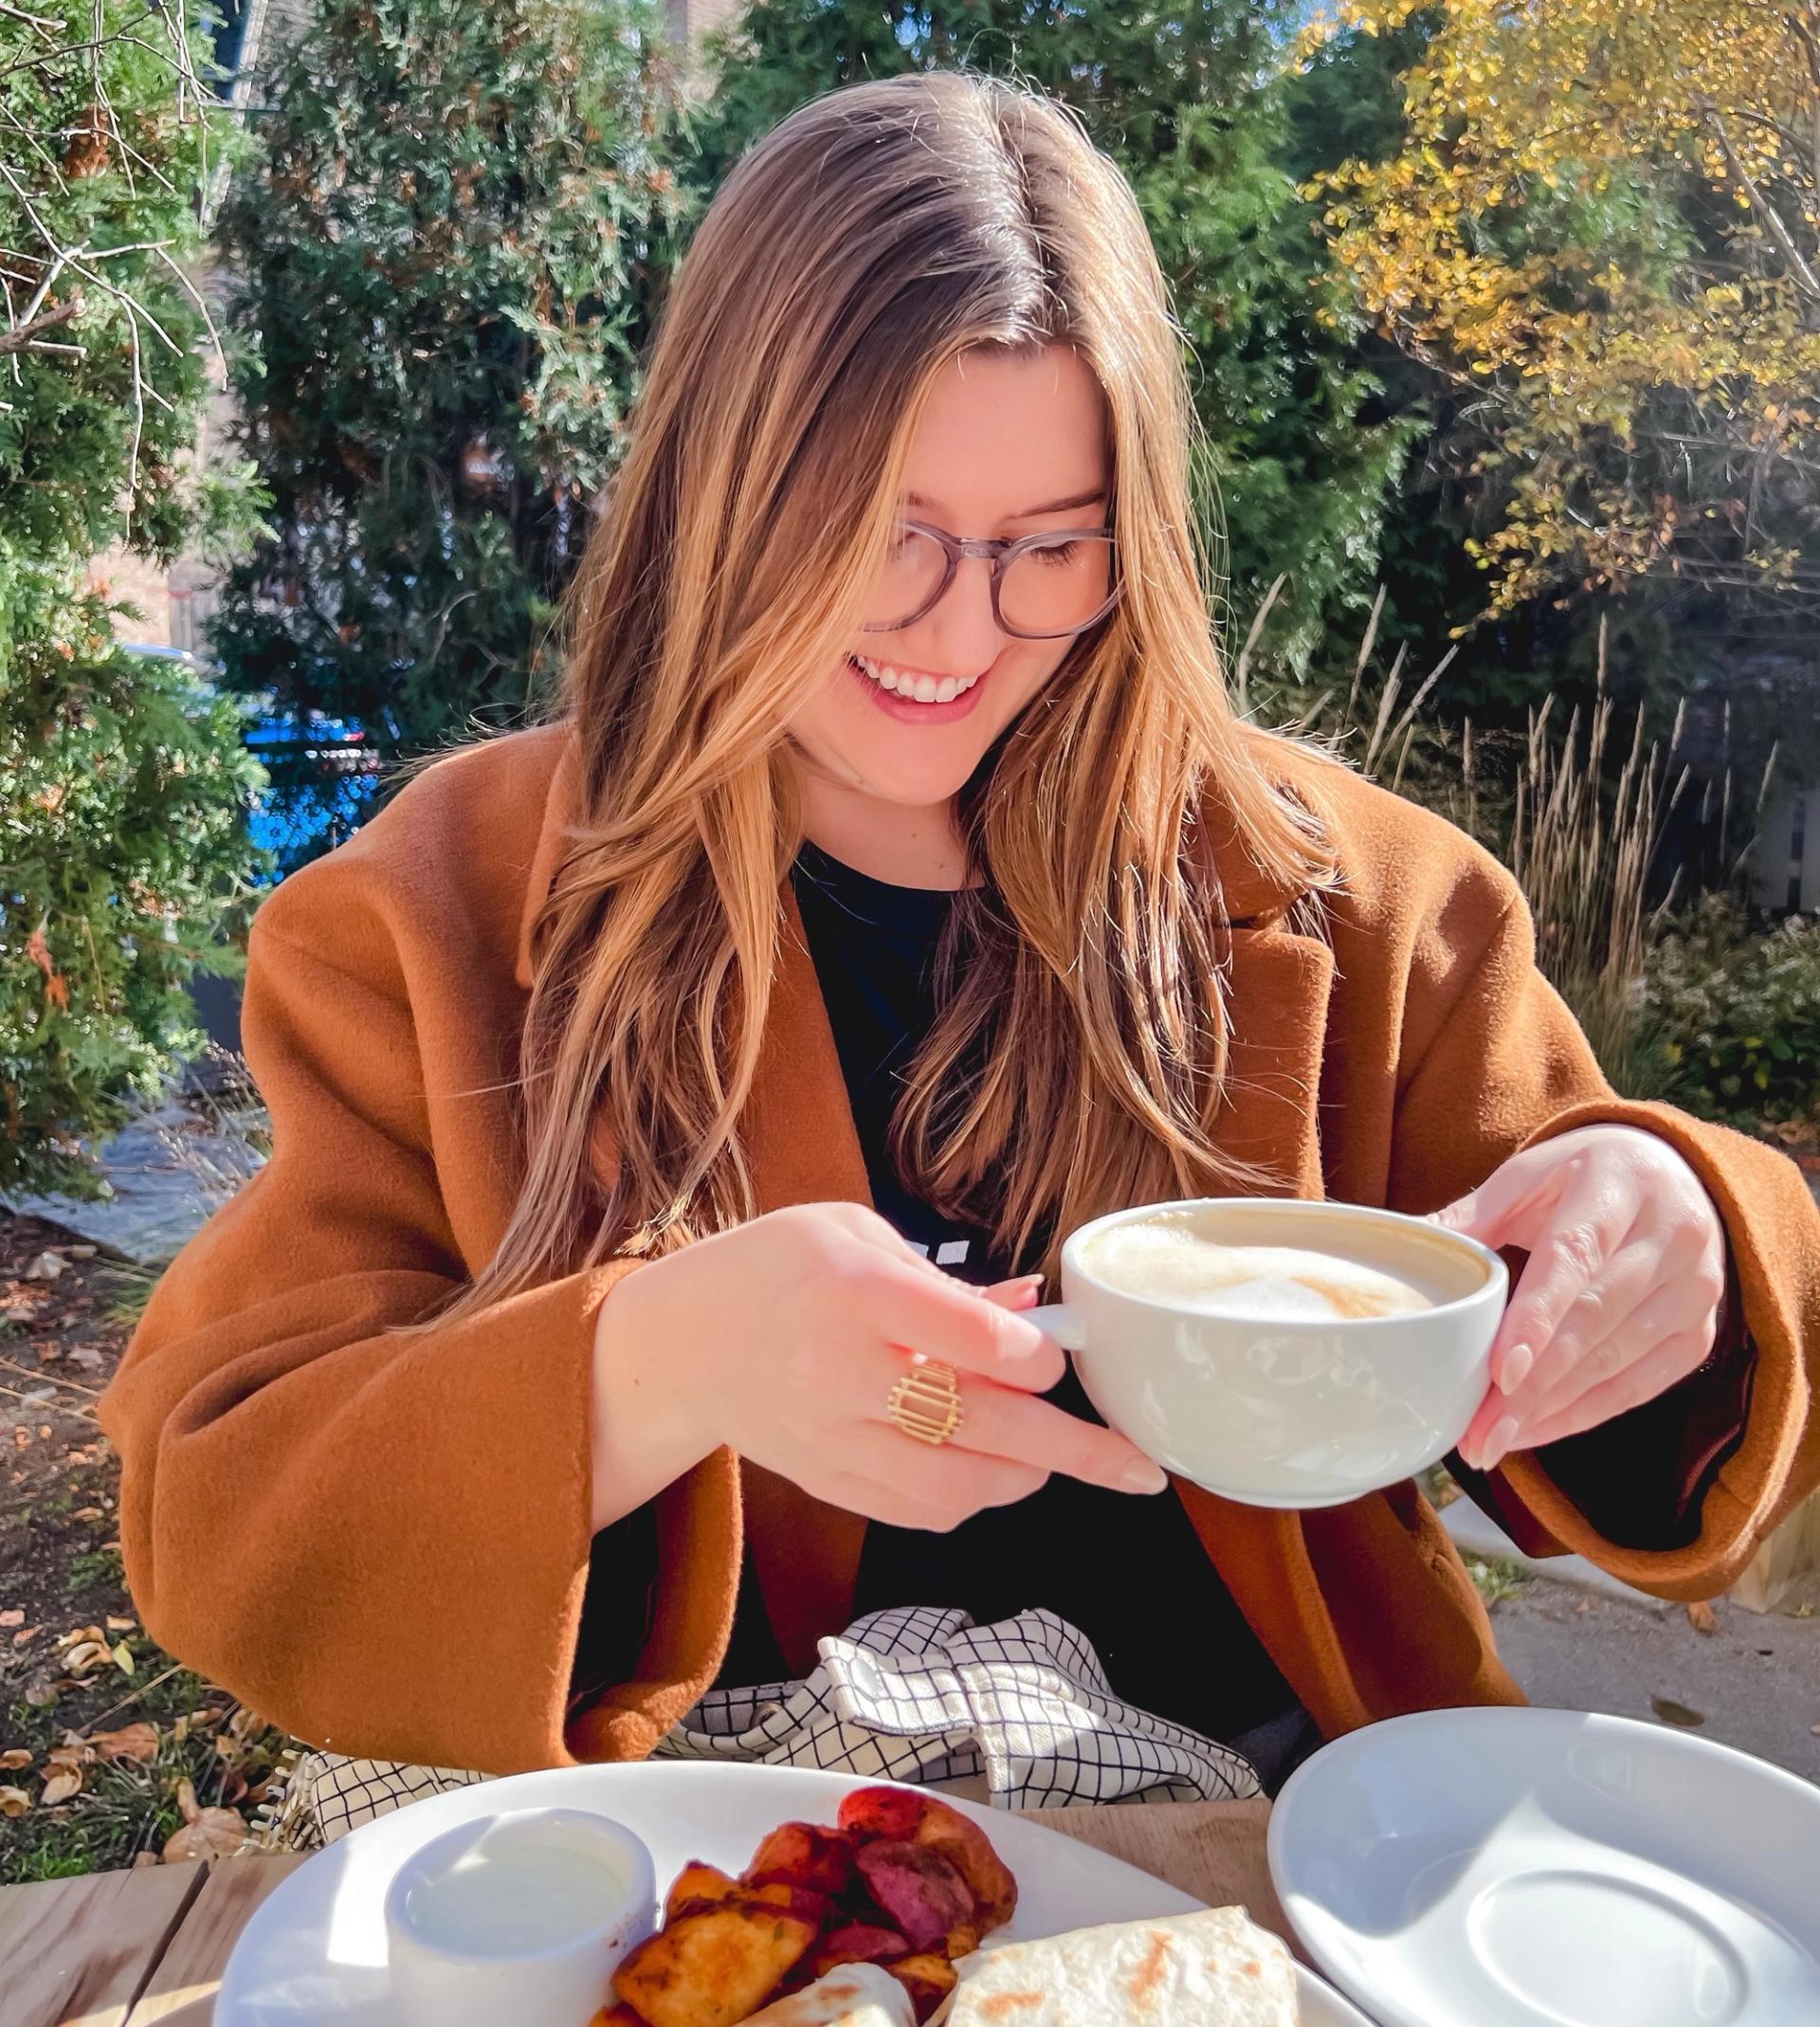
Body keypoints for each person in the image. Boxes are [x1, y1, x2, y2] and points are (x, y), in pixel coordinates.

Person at [101, 72, 1818, 1793]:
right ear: (723, 488)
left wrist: (1688, 1233)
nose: (960, 630)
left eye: (1049, 548)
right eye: (880, 537)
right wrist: (650, 1363)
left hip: (1293, 1832)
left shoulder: (1366, 903)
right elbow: (219, 1510)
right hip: (717, 1847)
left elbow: (1669, 1360)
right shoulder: (443, 910)